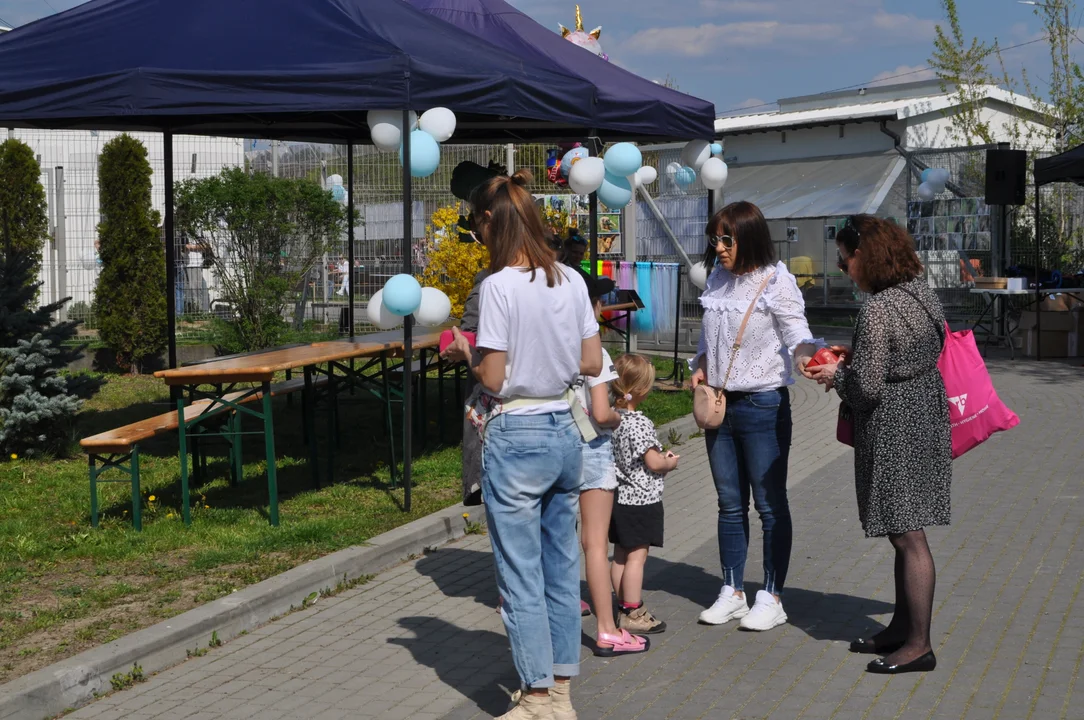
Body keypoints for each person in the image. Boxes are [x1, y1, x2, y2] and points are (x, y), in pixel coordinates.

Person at [445, 169, 602, 720]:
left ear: (490, 222)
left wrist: (466, 351)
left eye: (477, 226)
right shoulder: (571, 279)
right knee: (561, 569)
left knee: (520, 574)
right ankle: (559, 693)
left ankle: (535, 696)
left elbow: (491, 376)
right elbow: (589, 361)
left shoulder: (497, 288)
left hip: (516, 431)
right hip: (565, 425)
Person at [807, 215, 950, 675]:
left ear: (865, 256)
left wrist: (834, 374)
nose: (844, 267)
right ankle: (901, 629)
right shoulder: (921, 294)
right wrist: (859, 359)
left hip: (894, 425)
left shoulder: (877, 307)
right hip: (925, 413)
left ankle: (919, 645)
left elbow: (866, 389)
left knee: (908, 535)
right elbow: (902, 356)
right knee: (902, 529)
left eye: (845, 258)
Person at [690, 201, 817, 632]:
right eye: (715, 239)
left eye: (727, 239)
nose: (720, 247)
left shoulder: (776, 280)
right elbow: (711, 337)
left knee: (769, 505)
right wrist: (701, 364)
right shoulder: (718, 279)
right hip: (720, 404)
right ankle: (732, 590)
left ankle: (772, 595)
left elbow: (796, 331)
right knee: (729, 504)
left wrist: (806, 357)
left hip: (763, 404)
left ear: (750, 237)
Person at [572, 271, 650, 658]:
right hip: (591, 449)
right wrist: (619, 419)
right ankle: (607, 629)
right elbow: (602, 413)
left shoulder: (549, 342)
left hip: (554, 446)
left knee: (557, 539)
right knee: (594, 544)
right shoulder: (594, 353)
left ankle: (565, 608)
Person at [608, 353, 679, 636]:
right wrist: (669, 461)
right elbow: (653, 461)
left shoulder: (611, 419)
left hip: (617, 498)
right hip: (641, 499)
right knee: (637, 557)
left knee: (620, 557)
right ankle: (633, 609)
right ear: (639, 390)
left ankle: (621, 604)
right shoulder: (639, 423)